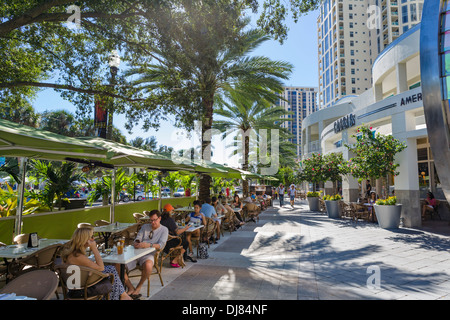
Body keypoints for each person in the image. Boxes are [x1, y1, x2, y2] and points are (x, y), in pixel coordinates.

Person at [60, 226, 132, 300]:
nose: (93, 239)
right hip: (81, 289)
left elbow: (85, 269)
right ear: (85, 239)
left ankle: (123, 295)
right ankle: (122, 296)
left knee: (110, 272)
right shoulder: (78, 256)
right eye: (91, 237)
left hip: (77, 285)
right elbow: (101, 268)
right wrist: (94, 248)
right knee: (111, 270)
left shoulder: (72, 253)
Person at [125, 210, 168, 297]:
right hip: (136, 252)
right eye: (151, 220)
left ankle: (138, 287)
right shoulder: (145, 226)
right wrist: (137, 242)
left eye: (155, 220)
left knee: (148, 266)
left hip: (150, 254)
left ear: (159, 218)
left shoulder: (164, 230)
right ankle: (130, 287)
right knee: (118, 266)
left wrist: (149, 245)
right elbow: (138, 237)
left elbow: (161, 245)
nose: (153, 222)